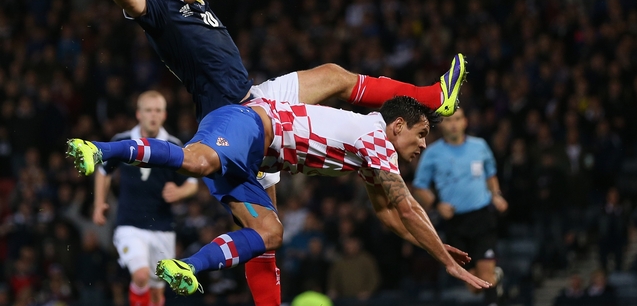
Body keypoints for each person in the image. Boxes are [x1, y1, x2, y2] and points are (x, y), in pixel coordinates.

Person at [77, 0, 468, 305]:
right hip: (233, 121)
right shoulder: (157, 10)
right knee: (264, 231)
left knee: (333, 78)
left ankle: (435, 98)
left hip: (257, 100)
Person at [65, 96, 491, 296]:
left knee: (270, 232)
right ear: (399, 125)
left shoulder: (367, 151)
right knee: (196, 163)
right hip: (247, 124)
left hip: (253, 162)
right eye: (420, 135)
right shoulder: (376, 137)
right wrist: (446, 262)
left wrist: (430, 243)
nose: (421, 146)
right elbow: (407, 206)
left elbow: (387, 213)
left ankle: (188, 267)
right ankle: (102, 149)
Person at [92, 91, 198, 306]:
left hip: (162, 227)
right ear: (138, 114)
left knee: (157, 293)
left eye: (157, 110)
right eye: (148, 110)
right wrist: (98, 204)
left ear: (164, 115)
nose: (153, 115)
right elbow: (104, 171)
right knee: (141, 276)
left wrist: (179, 192)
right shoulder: (122, 141)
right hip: (129, 224)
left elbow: (192, 183)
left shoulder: (174, 144)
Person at [411, 108, 507, 306]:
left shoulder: (480, 146)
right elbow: (420, 186)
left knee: (485, 274)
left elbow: (491, 174)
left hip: (482, 218)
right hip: (455, 222)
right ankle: (496, 276)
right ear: (442, 125)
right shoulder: (432, 153)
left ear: (465, 122)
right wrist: (437, 204)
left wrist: (496, 195)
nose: (453, 124)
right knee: (473, 286)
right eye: (448, 120)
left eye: (457, 119)